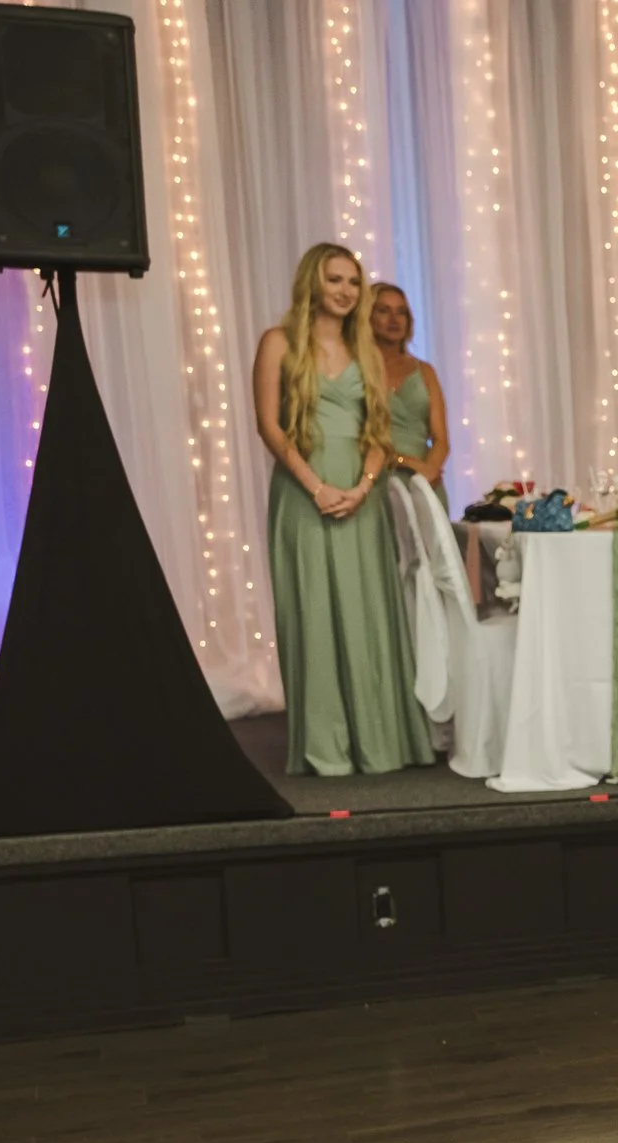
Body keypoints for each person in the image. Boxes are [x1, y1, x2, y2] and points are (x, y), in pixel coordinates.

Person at [252, 243, 435, 776]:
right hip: (302, 493)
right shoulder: (278, 342)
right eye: (335, 280)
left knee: (368, 614)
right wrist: (315, 486)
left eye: (353, 282)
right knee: (312, 612)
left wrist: (362, 486)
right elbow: (270, 426)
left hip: (361, 496)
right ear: (313, 281)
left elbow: (379, 433)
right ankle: (325, 747)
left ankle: (380, 741)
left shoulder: (367, 351)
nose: (345, 291)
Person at [369, 284, 450, 510]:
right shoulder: (357, 370)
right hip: (374, 479)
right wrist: (402, 461)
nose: (394, 319)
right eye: (384, 310)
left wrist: (427, 473)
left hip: (423, 480)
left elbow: (441, 439)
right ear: (367, 316)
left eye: (401, 311)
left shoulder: (425, 371)